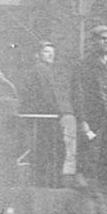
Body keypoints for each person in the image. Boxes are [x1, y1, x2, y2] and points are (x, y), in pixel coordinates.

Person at [21, 41, 81, 188]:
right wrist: (59, 112)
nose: (51, 55)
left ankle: (45, 183)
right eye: (46, 52)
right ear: (38, 55)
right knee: (52, 151)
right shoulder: (41, 70)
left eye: (52, 52)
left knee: (47, 151)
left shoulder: (44, 70)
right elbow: (47, 96)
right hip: (45, 119)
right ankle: (50, 184)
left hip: (46, 117)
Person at [73, 26, 107, 182]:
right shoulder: (83, 64)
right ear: (93, 42)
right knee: (90, 157)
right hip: (94, 118)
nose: (106, 42)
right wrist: (83, 121)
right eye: (102, 39)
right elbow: (77, 95)